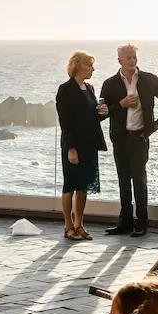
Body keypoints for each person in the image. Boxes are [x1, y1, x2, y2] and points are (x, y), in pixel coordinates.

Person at [99, 44, 158, 237]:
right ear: (120, 61)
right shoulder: (110, 84)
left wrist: (156, 126)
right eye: (129, 58)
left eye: (134, 57)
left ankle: (142, 223)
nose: (132, 61)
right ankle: (125, 222)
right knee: (123, 181)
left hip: (140, 137)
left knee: (139, 181)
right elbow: (101, 114)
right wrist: (121, 104)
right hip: (120, 138)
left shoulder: (149, 79)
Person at [57, 50, 108, 241]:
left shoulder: (90, 88)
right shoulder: (65, 89)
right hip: (74, 145)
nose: (93, 69)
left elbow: (92, 118)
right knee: (70, 185)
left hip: (89, 144)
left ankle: (79, 225)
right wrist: (71, 148)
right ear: (79, 66)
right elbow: (65, 121)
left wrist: (103, 113)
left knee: (84, 185)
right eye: (89, 65)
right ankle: (68, 226)